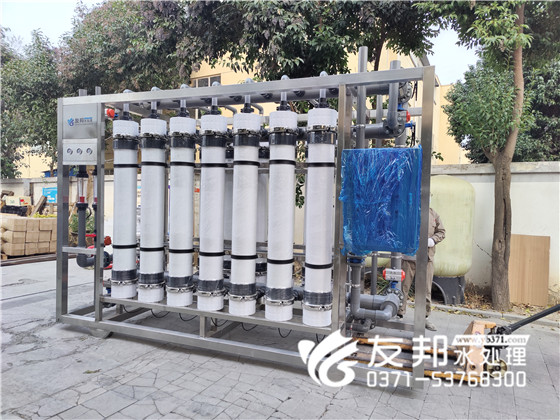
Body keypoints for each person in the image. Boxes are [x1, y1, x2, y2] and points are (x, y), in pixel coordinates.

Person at [397, 207, 445, 331]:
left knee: (425, 289)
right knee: (403, 287)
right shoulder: (408, 210)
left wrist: (433, 240)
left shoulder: (433, 214)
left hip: (426, 259)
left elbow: (442, 232)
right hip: (408, 258)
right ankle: (398, 314)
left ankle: (423, 318)